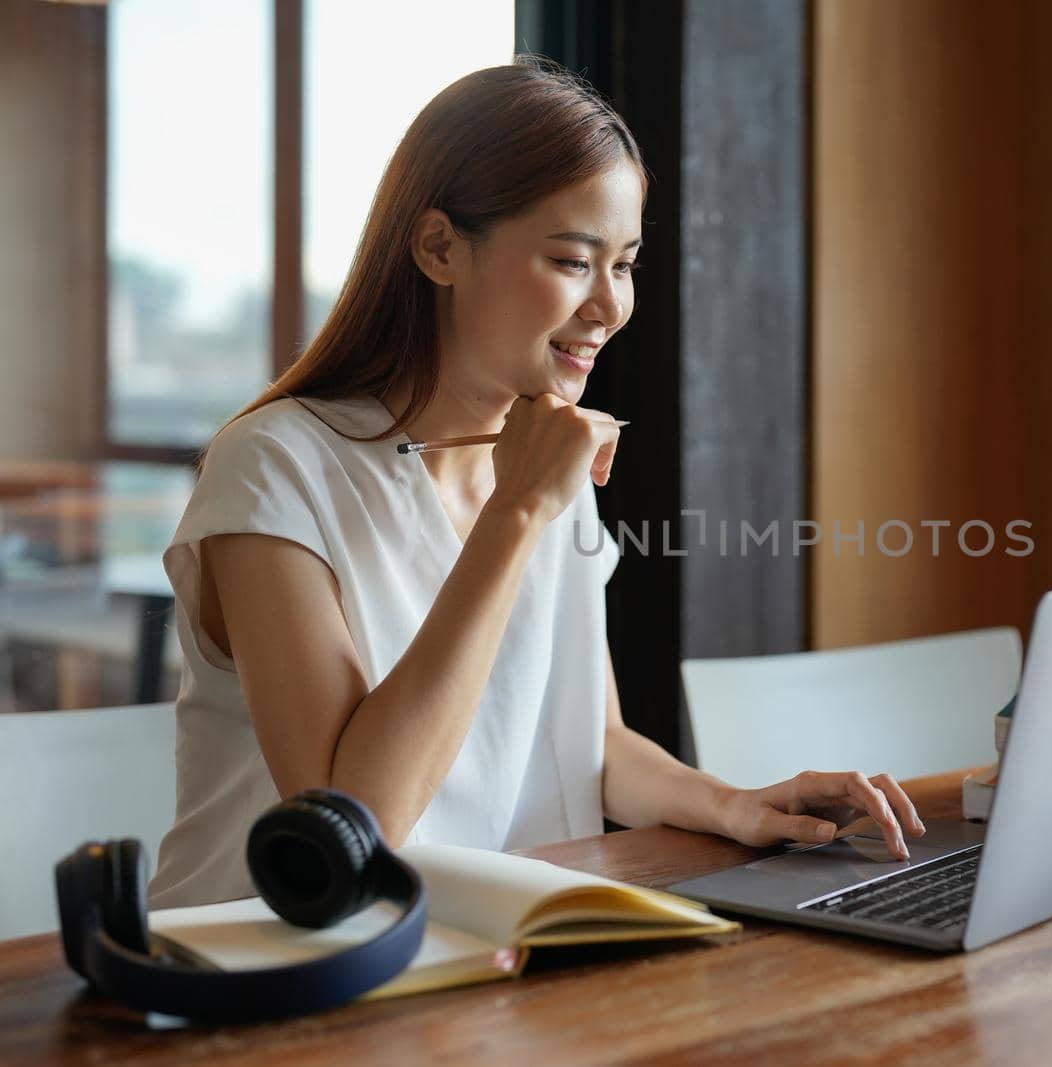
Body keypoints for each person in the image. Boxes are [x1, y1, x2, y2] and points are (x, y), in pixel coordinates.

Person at [148, 59, 922, 908]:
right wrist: (516, 512)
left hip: (489, 949)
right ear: (439, 247)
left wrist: (736, 804)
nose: (610, 306)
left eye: (623, 264)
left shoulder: (541, 458)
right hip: (263, 970)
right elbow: (354, 821)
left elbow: (584, 735)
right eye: (572, 260)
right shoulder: (274, 466)